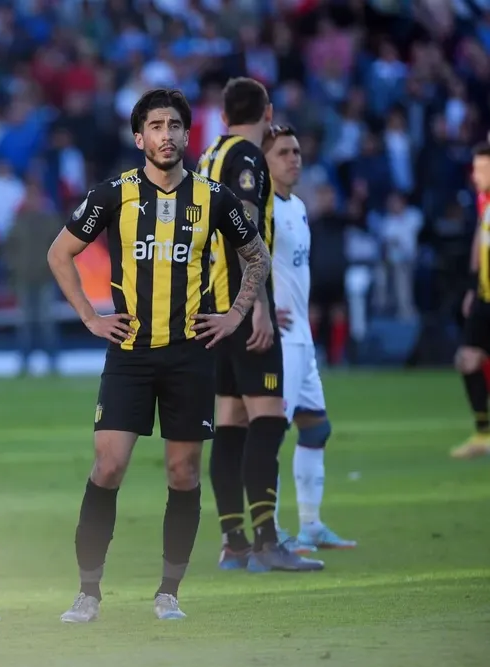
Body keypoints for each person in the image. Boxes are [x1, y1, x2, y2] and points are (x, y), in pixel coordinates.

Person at [47, 88, 271, 624]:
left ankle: (168, 592)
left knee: (182, 474)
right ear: (138, 136)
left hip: (190, 355)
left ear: (185, 134)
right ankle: (88, 593)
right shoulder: (113, 195)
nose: (166, 135)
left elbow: (256, 256)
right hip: (129, 353)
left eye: (175, 125)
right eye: (156, 126)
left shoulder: (213, 197)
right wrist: (91, 317)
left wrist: (237, 314)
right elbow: (60, 253)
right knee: (109, 465)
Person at [197, 77, 323, 572]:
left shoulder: (209, 155)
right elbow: (244, 230)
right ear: (267, 110)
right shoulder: (248, 158)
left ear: (224, 114)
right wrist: (258, 307)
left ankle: (234, 542)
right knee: (268, 422)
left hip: (210, 308)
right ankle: (268, 542)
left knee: (230, 425)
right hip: (239, 306)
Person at [263, 125, 356, 550]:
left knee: (316, 429)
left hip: (303, 336)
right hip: (280, 340)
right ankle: (271, 529)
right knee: (270, 435)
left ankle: (312, 524)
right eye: (283, 152)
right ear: (264, 160)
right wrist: (258, 308)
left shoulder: (298, 207)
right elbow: (231, 258)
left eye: (297, 151)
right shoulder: (260, 209)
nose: (293, 159)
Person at [452, 143, 490, 459]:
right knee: (467, 360)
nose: (475, 175)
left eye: (482, 169)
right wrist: (472, 287)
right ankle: (482, 433)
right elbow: (480, 245)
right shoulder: (483, 202)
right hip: (484, 295)